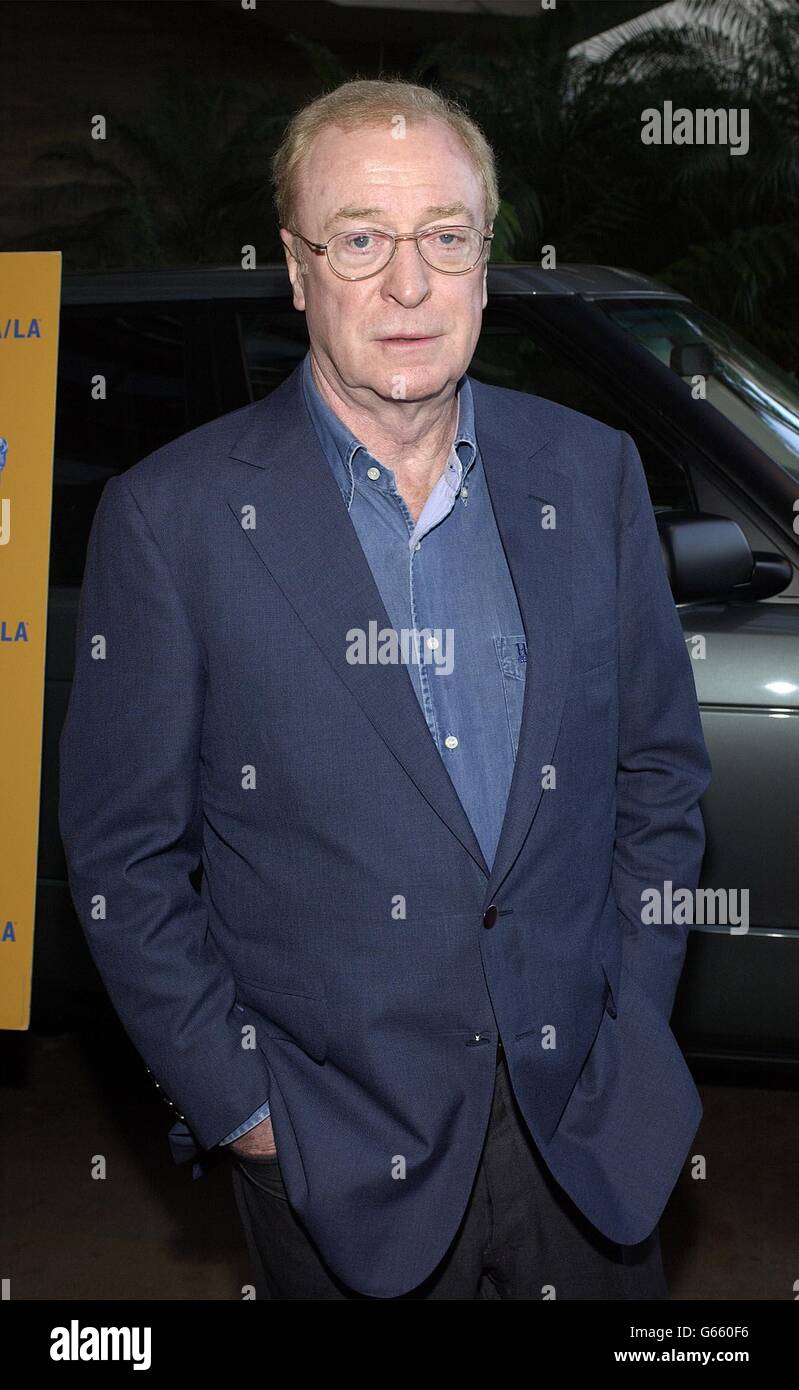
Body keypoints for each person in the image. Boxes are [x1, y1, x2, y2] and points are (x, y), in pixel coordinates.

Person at [58, 78, 712, 1300]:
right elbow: (122, 859)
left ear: (485, 260)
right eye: (359, 239)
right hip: (333, 1157)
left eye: (444, 239)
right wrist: (246, 1106)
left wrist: (630, 1025)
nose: (407, 286)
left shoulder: (593, 473)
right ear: (298, 271)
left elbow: (660, 779)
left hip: (590, 1131)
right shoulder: (174, 519)